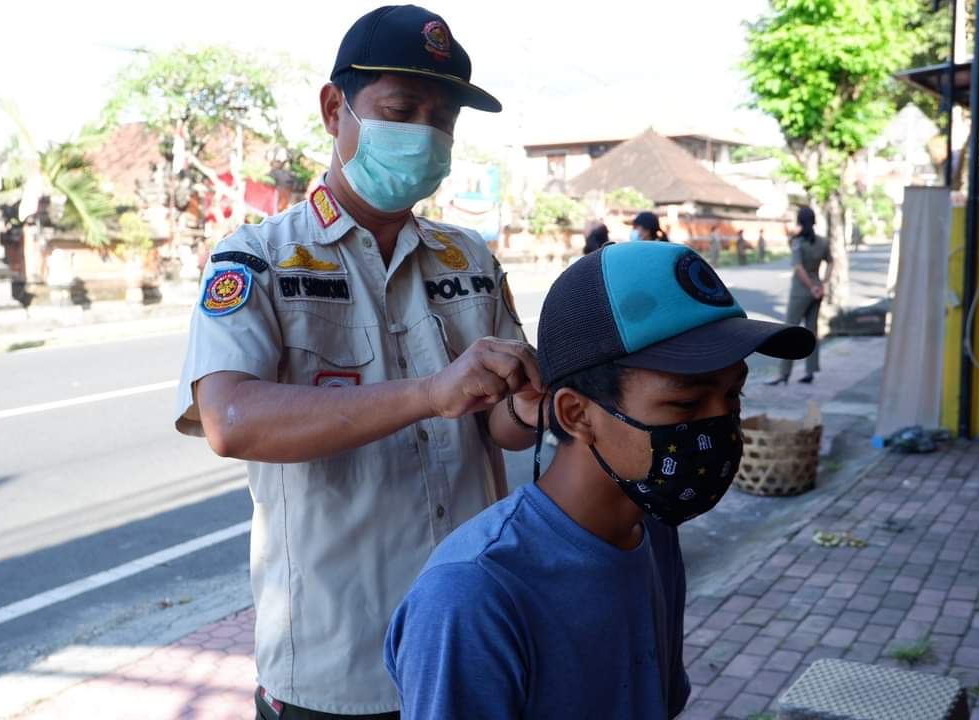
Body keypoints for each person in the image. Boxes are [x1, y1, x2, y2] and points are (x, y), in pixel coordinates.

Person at [173, 6, 543, 719]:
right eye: (403, 109)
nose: (426, 135)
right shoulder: (258, 258)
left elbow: (501, 431)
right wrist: (431, 392)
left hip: (470, 632)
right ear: (333, 108)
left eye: (443, 119)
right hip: (336, 660)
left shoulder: (470, 260)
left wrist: (524, 405)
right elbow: (232, 420)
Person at [385, 241, 814, 719]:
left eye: (733, 395)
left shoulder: (651, 525)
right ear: (576, 414)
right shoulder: (471, 597)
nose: (721, 424)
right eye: (686, 405)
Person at [769, 206, 832, 385]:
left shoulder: (797, 241)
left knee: (789, 330)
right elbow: (831, 262)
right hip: (817, 289)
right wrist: (822, 284)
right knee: (812, 330)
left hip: (801, 291)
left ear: (799, 221)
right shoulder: (823, 242)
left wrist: (811, 287)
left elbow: (798, 267)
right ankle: (810, 371)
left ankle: (784, 373)